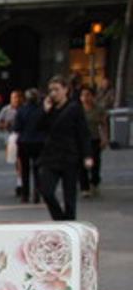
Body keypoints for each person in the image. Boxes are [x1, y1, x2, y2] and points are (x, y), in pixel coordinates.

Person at [36, 75, 92, 221]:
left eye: (57, 89)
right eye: (51, 90)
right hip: (50, 156)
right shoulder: (50, 109)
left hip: (69, 156)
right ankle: (60, 220)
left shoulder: (74, 108)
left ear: (66, 90)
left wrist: (87, 155)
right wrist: (45, 111)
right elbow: (38, 127)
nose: (53, 93)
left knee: (70, 197)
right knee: (46, 191)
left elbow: (83, 133)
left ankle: (69, 224)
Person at [14, 88, 46, 203]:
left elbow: (16, 128)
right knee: (37, 169)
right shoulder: (42, 111)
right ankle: (37, 192)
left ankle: (25, 194)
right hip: (39, 142)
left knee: (25, 169)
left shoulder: (21, 110)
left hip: (24, 142)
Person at [79, 85, 108, 198]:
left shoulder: (98, 109)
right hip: (81, 140)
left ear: (93, 96)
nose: (85, 98)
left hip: (94, 139)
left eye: (88, 95)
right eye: (83, 95)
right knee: (82, 164)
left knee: (94, 162)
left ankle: (94, 182)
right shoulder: (77, 109)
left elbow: (104, 124)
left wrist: (105, 138)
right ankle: (84, 187)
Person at [0, 90, 24, 197]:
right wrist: (5, 125)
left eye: (17, 97)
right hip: (11, 138)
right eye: (13, 98)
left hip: (23, 137)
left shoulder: (23, 109)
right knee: (17, 161)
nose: (15, 100)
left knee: (21, 161)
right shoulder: (6, 110)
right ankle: (20, 181)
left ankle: (20, 182)